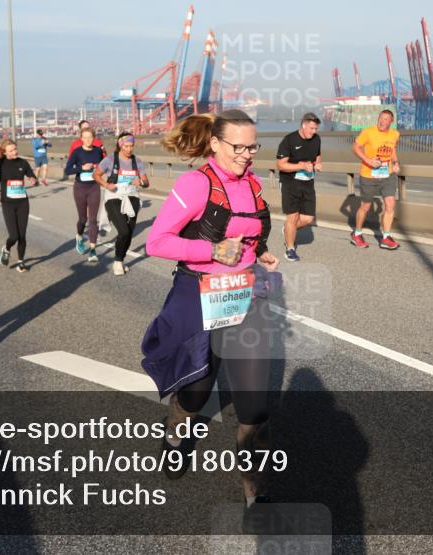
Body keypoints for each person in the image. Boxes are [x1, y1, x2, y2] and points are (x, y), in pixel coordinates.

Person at [142, 110, 280, 523]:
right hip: (200, 297)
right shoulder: (195, 184)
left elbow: (247, 232)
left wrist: (260, 252)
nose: (246, 154)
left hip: (246, 299)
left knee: (254, 406)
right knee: (196, 394)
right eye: (238, 146)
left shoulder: (254, 183)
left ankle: (256, 493)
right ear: (216, 144)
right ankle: (175, 434)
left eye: (252, 146)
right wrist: (212, 251)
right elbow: (156, 242)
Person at [94, 131, 150, 276]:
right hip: (113, 196)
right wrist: (106, 185)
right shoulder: (110, 160)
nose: (129, 149)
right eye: (126, 146)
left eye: (131, 146)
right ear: (120, 145)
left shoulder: (137, 161)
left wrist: (141, 182)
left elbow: (146, 182)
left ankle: (120, 258)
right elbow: (96, 175)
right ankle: (118, 261)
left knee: (129, 233)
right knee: (123, 231)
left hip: (132, 197)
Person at [275, 112, 322, 261]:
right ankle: (290, 249)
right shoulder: (289, 140)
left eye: (315, 129)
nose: (313, 132)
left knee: (308, 219)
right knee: (293, 216)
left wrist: (318, 163)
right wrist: (301, 166)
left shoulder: (317, 139)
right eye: (311, 128)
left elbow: (318, 155)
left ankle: (288, 229)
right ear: (303, 125)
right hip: (290, 183)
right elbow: (280, 165)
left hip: (308, 182)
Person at [351, 109, 401, 249]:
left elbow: (393, 149)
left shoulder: (395, 134)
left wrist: (396, 162)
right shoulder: (368, 132)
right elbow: (355, 147)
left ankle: (386, 237)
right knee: (366, 206)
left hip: (387, 174)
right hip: (369, 175)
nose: (382, 122)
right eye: (380, 118)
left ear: (391, 122)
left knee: (390, 204)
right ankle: (357, 233)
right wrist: (368, 160)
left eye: (386, 119)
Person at [0, 139, 36, 273]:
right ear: (5, 152)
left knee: (22, 236)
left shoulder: (22, 162)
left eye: (15, 149)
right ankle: (7, 248)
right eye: (11, 150)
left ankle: (20, 262)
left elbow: (31, 176)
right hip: (8, 203)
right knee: (13, 236)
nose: (15, 152)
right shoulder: (0, 163)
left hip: (22, 202)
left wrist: (33, 179)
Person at [64, 128, 104, 263]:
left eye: (90, 137)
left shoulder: (98, 151)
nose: (88, 140)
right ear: (81, 139)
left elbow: (104, 166)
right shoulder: (77, 152)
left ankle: (92, 250)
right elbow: (67, 170)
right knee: (83, 219)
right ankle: (79, 236)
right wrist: (82, 168)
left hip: (94, 187)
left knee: (93, 220)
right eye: (85, 137)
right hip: (80, 188)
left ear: (94, 138)